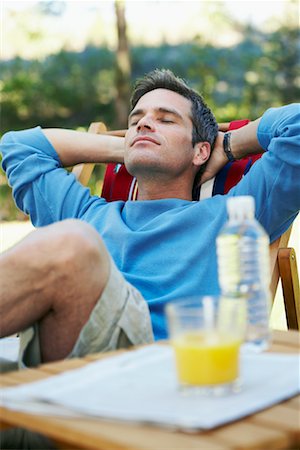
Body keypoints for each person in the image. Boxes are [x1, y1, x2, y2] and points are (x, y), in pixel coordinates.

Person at [1, 69, 299, 369]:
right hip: (78, 363)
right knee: (75, 239)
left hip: (164, 365)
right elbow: (19, 146)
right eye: (136, 121)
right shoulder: (88, 213)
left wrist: (229, 144)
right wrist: (131, 146)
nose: (144, 123)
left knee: (72, 241)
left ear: (200, 152)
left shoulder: (234, 216)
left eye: (166, 119)